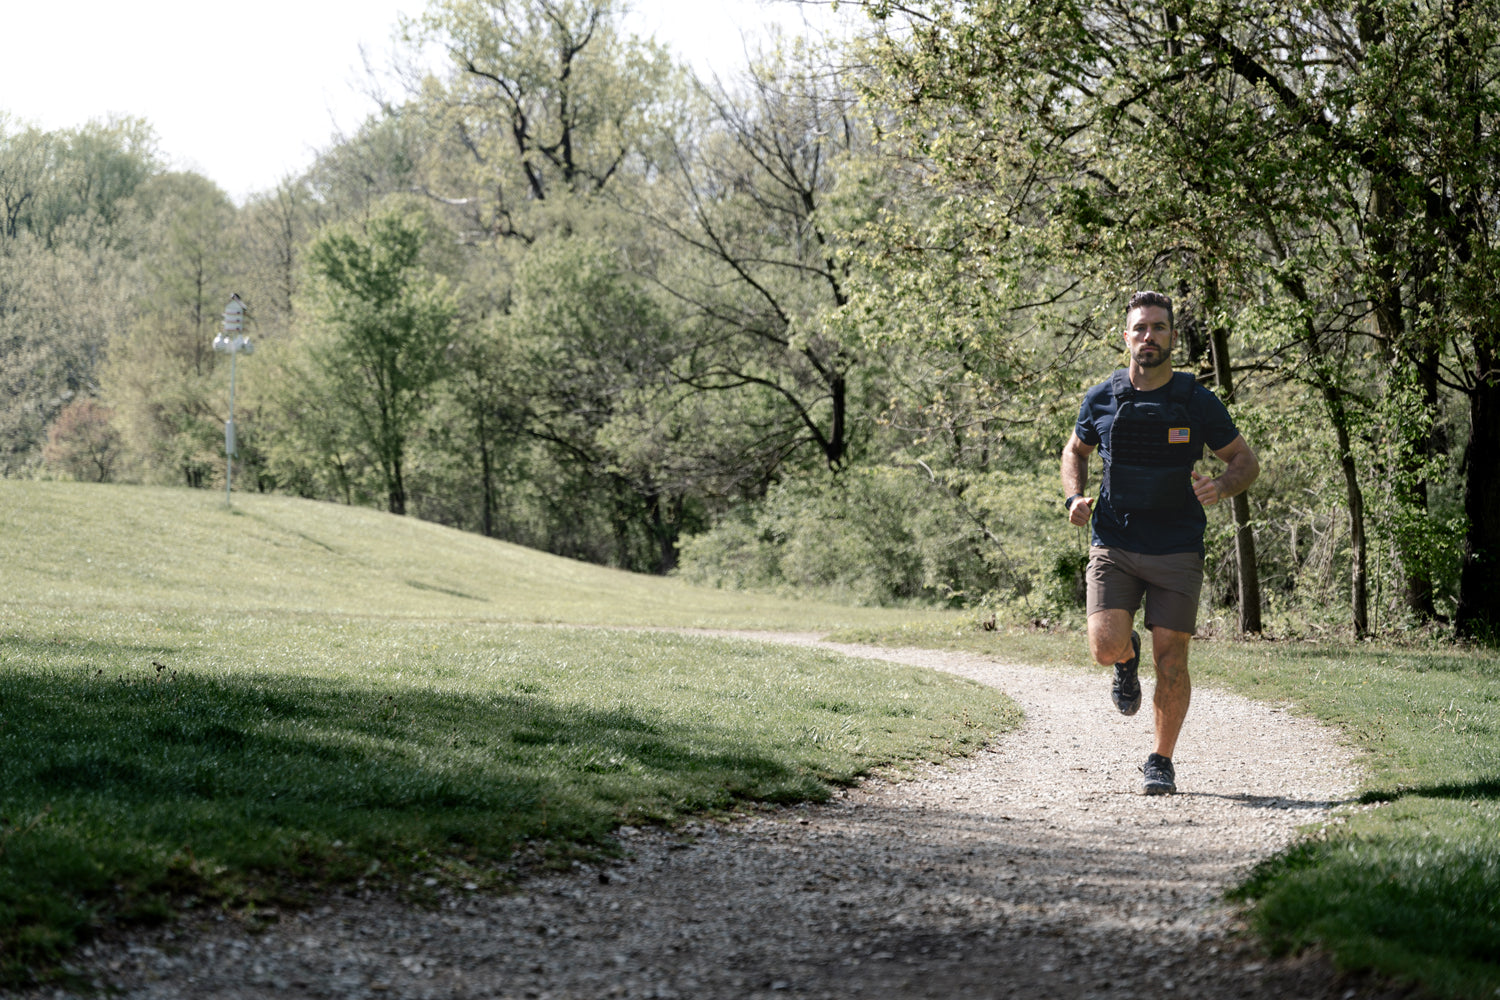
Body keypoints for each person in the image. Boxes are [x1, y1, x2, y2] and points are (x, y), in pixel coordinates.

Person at [1060, 290, 1260, 795]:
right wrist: (1073, 498)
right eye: (1140, 328)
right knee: (1104, 647)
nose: (1148, 336)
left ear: (1173, 336)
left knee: (1172, 659)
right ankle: (1126, 659)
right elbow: (1075, 450)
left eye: (1158, 327)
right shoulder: (1101, 397)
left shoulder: (1196, 401)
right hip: (1115, 540)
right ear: (1125, 336)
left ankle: (1161, 760)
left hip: (1176, 546)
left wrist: (1222, 486)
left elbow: (1244, 460)